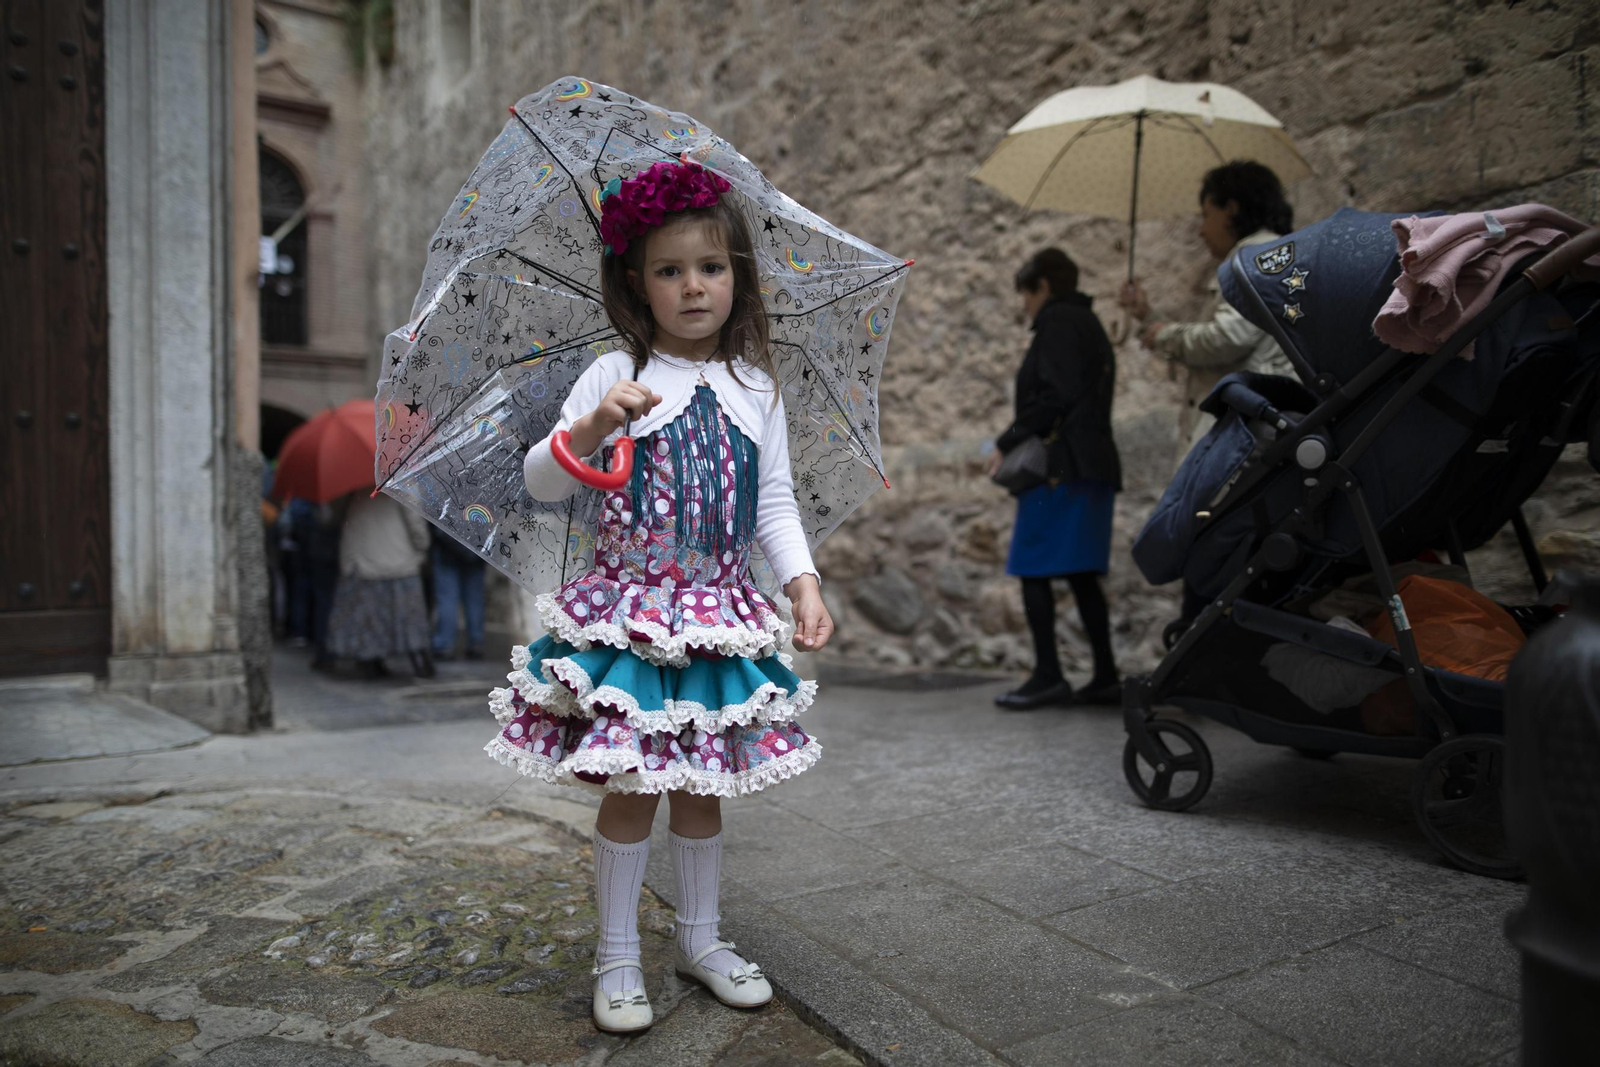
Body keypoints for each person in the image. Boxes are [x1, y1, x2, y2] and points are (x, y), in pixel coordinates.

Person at [481, 161, 831, 1035]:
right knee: (635, 782)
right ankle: (617, 954)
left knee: (703, 786)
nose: (692, 286)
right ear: (637, 283)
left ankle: (702, 940)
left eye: (710, 267)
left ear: (736, 277)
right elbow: (542, 481)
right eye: (669, 270)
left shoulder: (758, 387)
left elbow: (773, 500)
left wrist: (802, 580)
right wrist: (592, 429)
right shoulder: (614, 371)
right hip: (633, 616)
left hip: (718, 614)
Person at [986, 248, 1122, 710]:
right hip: (1093, 463)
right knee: (1082, 574)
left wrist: (1006, 441)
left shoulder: (1058, 323)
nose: (1025, 307)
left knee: (1031, 567)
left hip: (1059, 468)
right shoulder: (1090, 323)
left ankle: (1048, 675)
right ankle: (1105, 675)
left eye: (1025, 295)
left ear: (1041, 286)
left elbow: (1054, 397)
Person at [1120, 160, 1296, 452]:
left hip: (1244, 434)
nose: (1201, 230)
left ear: (1232, 209)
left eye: (1205, 215)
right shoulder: (1264, 255)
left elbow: (1227, 339)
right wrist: (1147, 316)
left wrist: (1164, 336)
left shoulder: (1255, 257)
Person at [323, 490, 434, 679]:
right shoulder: (398, 479)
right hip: (397, 556)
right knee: (407, 617)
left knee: (367, 615)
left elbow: (332, 517)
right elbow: (414, 518)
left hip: (360, 557)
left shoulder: (349, 483)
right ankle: (419, 661)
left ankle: (370, 660)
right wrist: (422, 544)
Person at [430, 527, 487, 660]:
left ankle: (444, 644)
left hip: (446, 550)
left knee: (447, 599)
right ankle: (476, 641)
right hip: (475, 549)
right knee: (474, 599)